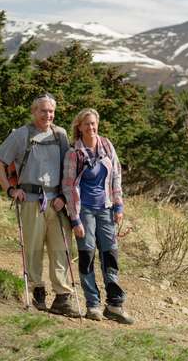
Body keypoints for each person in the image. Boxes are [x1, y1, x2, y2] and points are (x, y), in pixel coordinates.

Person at [0, 92, 79, 317]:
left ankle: (62, 297)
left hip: (57, 202)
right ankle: (37, 292)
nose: (47, 115)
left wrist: (63, 197)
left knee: (61, 249)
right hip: (30, 200)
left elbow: (67, 169)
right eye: (43, 111)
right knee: (33, 249)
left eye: (51, 111)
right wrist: (10, 189)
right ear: (33, 112)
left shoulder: (60, 135)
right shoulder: (21, 135)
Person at [62, 108, 134, 324]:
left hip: (106, 209)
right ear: (79, 127)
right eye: (86, 124)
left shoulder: (106, 145)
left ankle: (114, 304)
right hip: (84, 211)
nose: (91, 128)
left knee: (110, 255)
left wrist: (119, 206)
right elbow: (68, 187)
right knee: (87, 256)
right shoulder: (74, 152)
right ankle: (92, 304)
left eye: (93, 123)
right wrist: (74, 218)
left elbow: (116, 176)